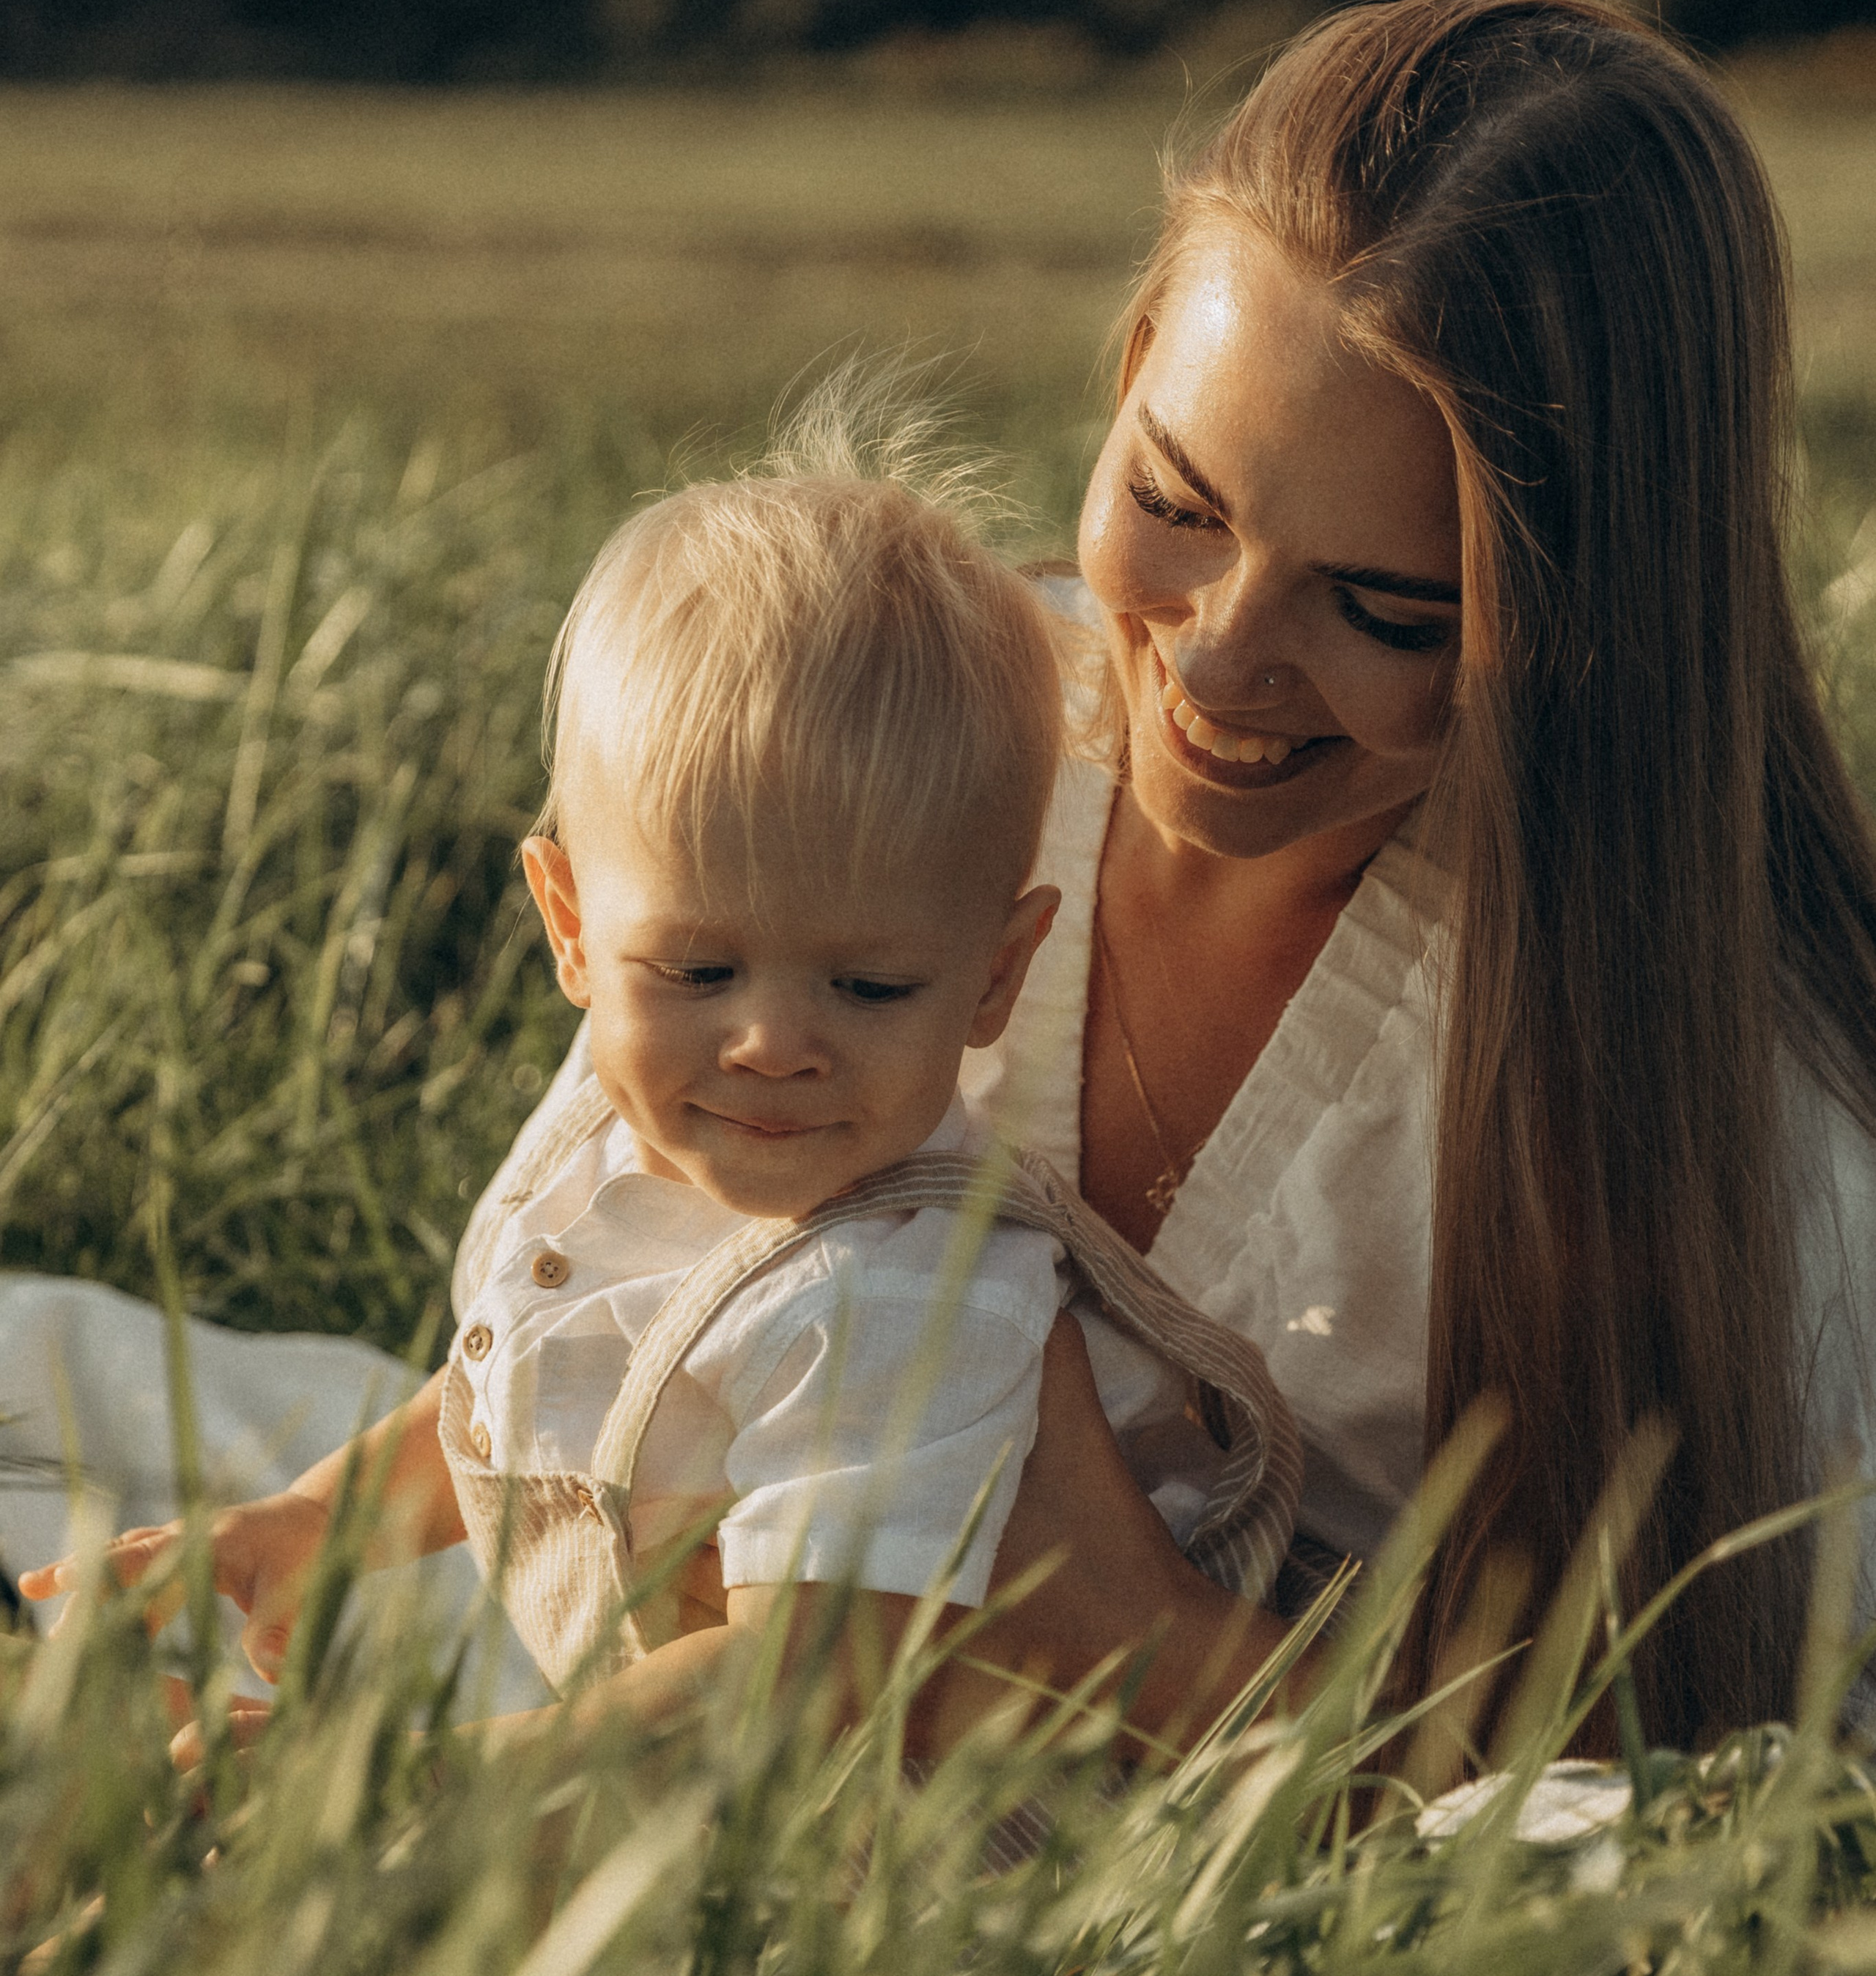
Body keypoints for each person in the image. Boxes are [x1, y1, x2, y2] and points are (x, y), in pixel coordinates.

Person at [477, 0, 1876, 1758]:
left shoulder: (1758, 1138)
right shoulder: (922, 741)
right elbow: (586, 1276)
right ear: (1133, 359)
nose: (1211, 669)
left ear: (1582, 622)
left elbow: (1730, 1847)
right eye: (1176, 501)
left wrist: (1133, 1620)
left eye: (1382, 608)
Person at [22, 410, 1301, 1746]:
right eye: (697, 974)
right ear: (571, 928)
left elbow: (798, 1690)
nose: (771, 1043)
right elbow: (516, 1388)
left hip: (905, 1850)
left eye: (869, 989)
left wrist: (429, 1785)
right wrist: (309, 1526)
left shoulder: (902, 1289)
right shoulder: (637, 1154)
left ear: (996, 976)